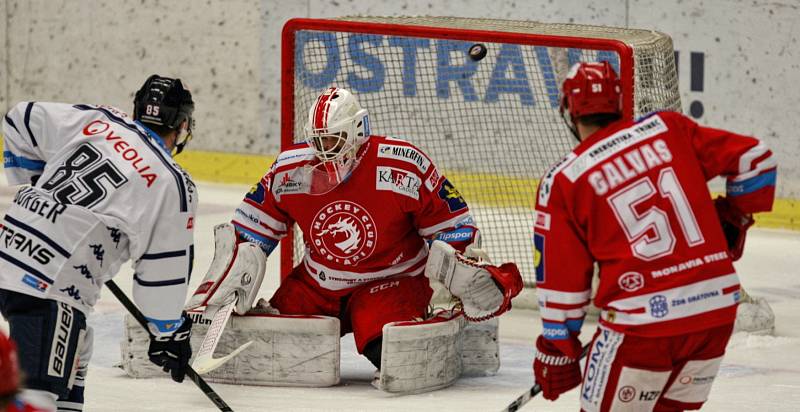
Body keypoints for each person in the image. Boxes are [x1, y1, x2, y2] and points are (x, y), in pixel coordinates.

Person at [532, 61, 776, 411]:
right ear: (619, 103)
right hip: (715, 311)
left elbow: (562, 283)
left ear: (570, 113)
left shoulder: (564, 180)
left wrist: (558, 348)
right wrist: (734, 219)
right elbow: (756, 159)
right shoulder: (668, 127)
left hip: (641, 328)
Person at [220, 87, 520, 370]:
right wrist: (227, 281)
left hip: (391, 280)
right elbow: (251, 227)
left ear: (358, 129)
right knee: (266, 350)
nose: (326, 149)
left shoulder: (400, 165)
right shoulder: (290, 170)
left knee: (393, 356)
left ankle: (449, 321)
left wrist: (455, 269)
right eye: (319, 140)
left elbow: (452, 224)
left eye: (335, 138)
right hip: (317, 284)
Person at [0, 75, 197, 411]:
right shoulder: (170, 181)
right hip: (50, 286)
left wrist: (37, 185)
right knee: (38, 394)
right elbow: (162, 272)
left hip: (10, 249)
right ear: (181, 125)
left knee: (77, 347)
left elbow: (21, 119)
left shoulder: (98, 120)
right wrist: (167, 333)